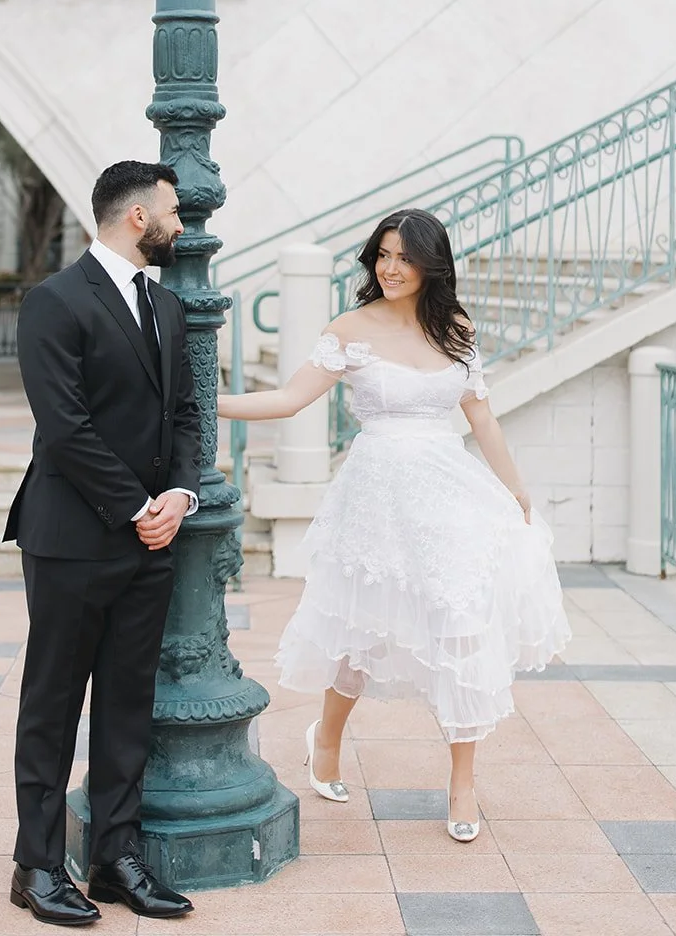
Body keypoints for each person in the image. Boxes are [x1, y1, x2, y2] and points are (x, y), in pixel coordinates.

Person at [218, 208, 570, 841]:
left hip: (448, 495)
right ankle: (325, 738)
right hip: (376, 496)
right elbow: (289, 399)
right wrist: (203, 400)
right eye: (383, 254)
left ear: (432, 264)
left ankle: (462, 783)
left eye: (405, 257)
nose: (391, 267)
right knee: (363, 627)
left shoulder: (455, 329)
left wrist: (515, 490)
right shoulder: (350, 328)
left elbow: (481, 418)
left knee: (461, 624)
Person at [4, 160, 202, 924]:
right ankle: (36, 866)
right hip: (70, 538)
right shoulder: (52, 302)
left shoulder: (167, 306)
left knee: (127, 704)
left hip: (151, 539)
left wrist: (178, 496)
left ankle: (116, 859)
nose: (181, 222)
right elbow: (65, 428)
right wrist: (136, 507)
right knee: (52, 706)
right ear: (136, 218)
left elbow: (185, 413)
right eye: (173, 210)